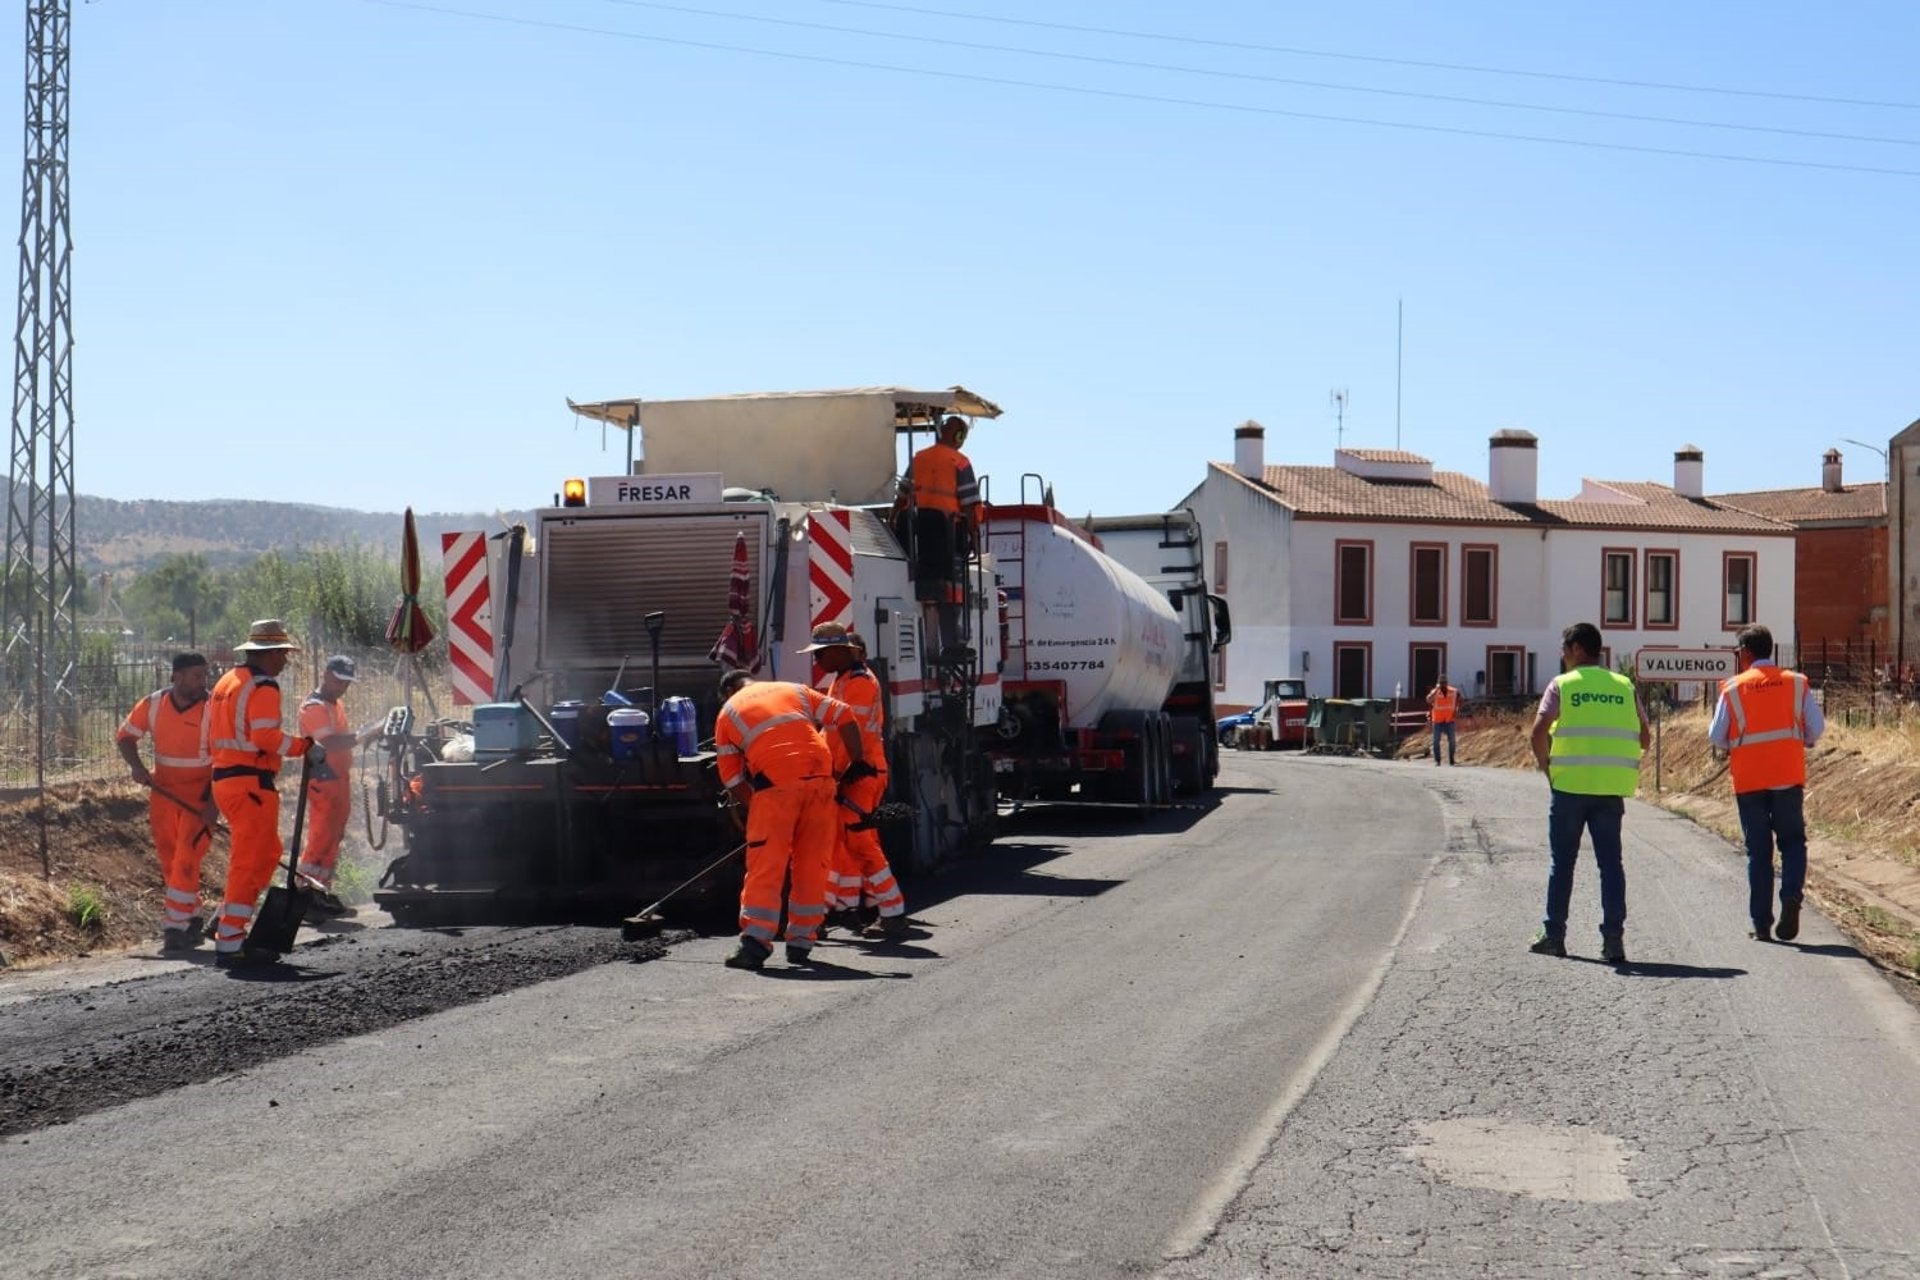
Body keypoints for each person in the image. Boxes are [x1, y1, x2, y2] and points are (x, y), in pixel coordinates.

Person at [712, 668, 869, 970]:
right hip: (822, 782)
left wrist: (756, 806)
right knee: (813, 863)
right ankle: (801, 941)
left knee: (766, 865)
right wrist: (857, 762)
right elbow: (845, 715)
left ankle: (755, 944)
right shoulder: (794, 689)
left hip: (776, 788)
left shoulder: (728, 712)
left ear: (728, 692)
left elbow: (732, 779)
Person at [1527, 621, 1650, 964]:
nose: (1563, 656)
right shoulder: (1624, 686)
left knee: (1562, 863)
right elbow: (1645, 738)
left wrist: (1546, 768)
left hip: (1568, 789)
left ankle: (1554, 936)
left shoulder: (1562, 686)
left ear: (1578, 649)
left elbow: (1537, 732)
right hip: (1610, 791)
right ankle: (1613, 942)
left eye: (1565, 649)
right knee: (1611, 865)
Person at [208, 619, 323, 968]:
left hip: (228, 780)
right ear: (269, 654)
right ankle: (230, 941)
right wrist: (305, 747)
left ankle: (225, 918)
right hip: (250, 783)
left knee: (269, 852)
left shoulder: (227, 682)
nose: (286, 661)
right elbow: (266, 738)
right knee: (249, 859)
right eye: (283, 654)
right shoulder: (264, 686)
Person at [1709, 624, 1825, 942]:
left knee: (1758, 852)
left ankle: (1761, 925)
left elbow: (1716, 736)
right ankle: (1791, 898)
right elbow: (1816, 727)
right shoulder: (1796, 683)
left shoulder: (1733, 689)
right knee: (1792, 844)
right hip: (1787, 777)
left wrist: (1736, 744)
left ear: (1746, 652)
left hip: (1749, 781)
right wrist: (1803, 740)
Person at [804, 624, 909, 941]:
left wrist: (834, 775)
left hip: (860, 774)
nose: (817, 661)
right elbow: (831, 733)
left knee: (858, 842)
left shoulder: (860, 683)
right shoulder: (844, 679)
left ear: (841, 651)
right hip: (850, 773)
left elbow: (854, 735)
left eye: (821, 654)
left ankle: (892, 910)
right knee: (837, 843)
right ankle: (819, 915)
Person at [116, 652, 219, 951]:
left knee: (188, 857)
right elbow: (125, 737)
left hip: (201, 795)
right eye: (197, 675)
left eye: (204, 675)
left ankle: (174, 926)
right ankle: (191, 919)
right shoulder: (153, 704)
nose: (204, 681)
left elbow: (226, 757)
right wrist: (137, 767)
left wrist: (213, 804)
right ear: (177, 677)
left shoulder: (214, 707)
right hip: (163, 793)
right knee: (170, 858)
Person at [295, 654, 382, 919]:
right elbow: (330, 742)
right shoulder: (314, 707)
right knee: (320, 840)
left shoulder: (335, 704)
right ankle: (305, 895)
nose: (343, 686)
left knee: (332, 839)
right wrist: (362, 735)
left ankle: (320, 892)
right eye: (339, 680)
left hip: (338, 779)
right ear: (326, 675)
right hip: (324, 780)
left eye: (346, 682)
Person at [898, 415, 982, 657]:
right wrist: (973, 536)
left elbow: (903, 494)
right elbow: (967, 504)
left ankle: (927, 639)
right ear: (959, 437)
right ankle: (952, 643)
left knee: (923, 587)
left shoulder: (920, 458)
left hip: (916, 533)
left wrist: (895, 518)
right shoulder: (960, 462)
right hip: (948, 532)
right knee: (952, 591)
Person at [1426, 675, 1460, 766]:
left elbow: (1459, 700)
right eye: (1441, 683)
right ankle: (1438, 760)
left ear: (1447, 682)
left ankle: (1451, 760)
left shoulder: (1453, 691)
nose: (1443, 684)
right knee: (1436, 740)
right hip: (1437, 720)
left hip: (1449, 719)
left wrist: (1457, 710)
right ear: (1438, 683)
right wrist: (1436, 690)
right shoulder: (1435, 692)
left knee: (1452, 740)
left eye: (1444, 682)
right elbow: (1428, 700)